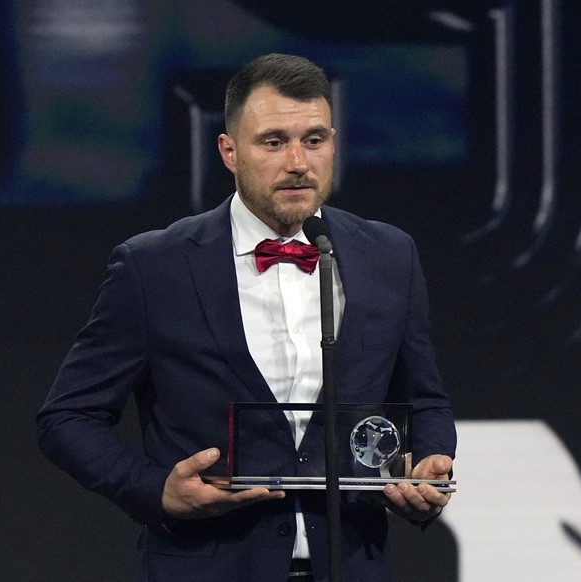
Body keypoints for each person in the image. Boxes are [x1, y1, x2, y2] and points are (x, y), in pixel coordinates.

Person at [36, 53, 456, 582]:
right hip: (208, 565)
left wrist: (431, 466)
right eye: (274, 141)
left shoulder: (390, 255)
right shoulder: (153, 267)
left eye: (315, 139)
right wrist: (154, 489)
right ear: (229, 151)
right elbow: (66, 418)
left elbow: (425, 399)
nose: (298, 162)